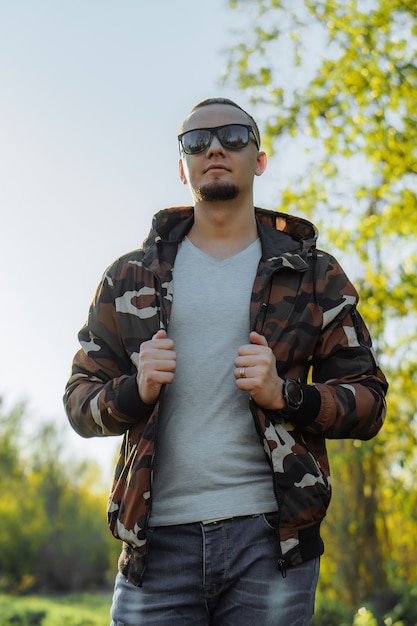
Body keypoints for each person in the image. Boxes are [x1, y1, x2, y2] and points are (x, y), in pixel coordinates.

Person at [64, 97, 388, 626]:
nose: (214, 148)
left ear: (258, 159)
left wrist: (288, 395)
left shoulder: (312, 274)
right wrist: (134, 390)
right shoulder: (129, 277)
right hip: (156, 543)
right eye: (196, 141)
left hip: (272, 543)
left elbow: (370, 402)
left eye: (234, 137)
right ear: (182, 165)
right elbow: (79, 402)